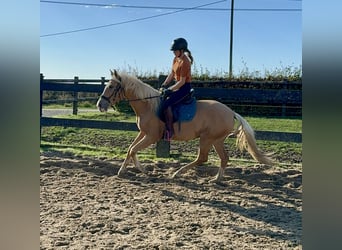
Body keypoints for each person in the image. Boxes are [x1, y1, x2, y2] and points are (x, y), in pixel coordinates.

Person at [160, 37, 194, 141]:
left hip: (184, 88)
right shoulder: (176, 59)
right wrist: (164, 85)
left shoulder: (185, 62)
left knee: (167, 104)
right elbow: (172, 74)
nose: (174, 53)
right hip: (177, 86)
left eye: (175, 50)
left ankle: (170, 131)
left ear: (182, 50)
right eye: (173, 51)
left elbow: (182, 82)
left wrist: (169, 90)